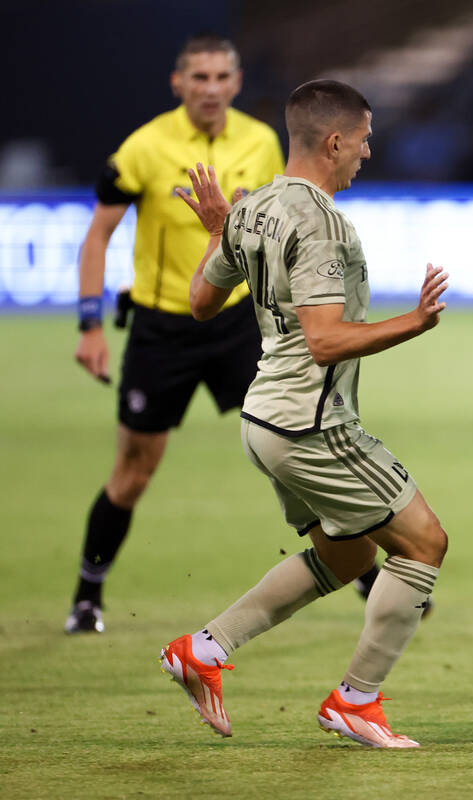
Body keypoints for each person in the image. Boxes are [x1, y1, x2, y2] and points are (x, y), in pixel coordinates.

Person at [159, 79, 449, 749]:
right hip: (309, 422)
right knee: (424, 543)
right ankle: (357, 701)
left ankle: (206, 649)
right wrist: (413, 322)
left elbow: (203, 302)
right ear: (335, 140)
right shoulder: (319, 220)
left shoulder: (252, 206)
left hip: (264, 419)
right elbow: (323, 341)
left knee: (346, 556)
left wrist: (217, 230)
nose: (368, 154)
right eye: (365, 140)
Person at [67, 35, 284, 633]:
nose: (210, 88)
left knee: (292, 447)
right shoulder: (146, 146)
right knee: (135, 471)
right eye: (199, 77)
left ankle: (364, 574)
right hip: (163, 327)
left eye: (221, 77)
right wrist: (90, 323)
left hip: (237, 322)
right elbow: (97, 236)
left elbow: (273, 232)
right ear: (178, 83)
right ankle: (87, 595)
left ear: (236, 83)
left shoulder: (260, 141)